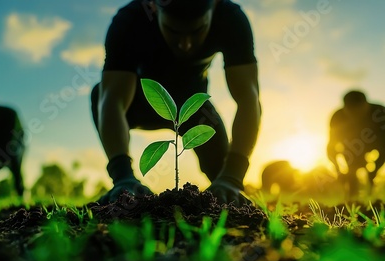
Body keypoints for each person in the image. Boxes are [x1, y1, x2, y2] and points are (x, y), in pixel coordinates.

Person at [91, 0, 261, 206]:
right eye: (173, 31)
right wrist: (122, 177)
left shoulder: (231, 19)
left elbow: (248, 99)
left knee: (224, 185)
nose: (186, 44)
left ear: (215, 6)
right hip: (142, 105)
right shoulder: (129, 21)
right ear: (153, 6)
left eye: (198, 30)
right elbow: (113, 99)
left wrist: (233, 176)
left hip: (193, 111)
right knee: (99, 93)